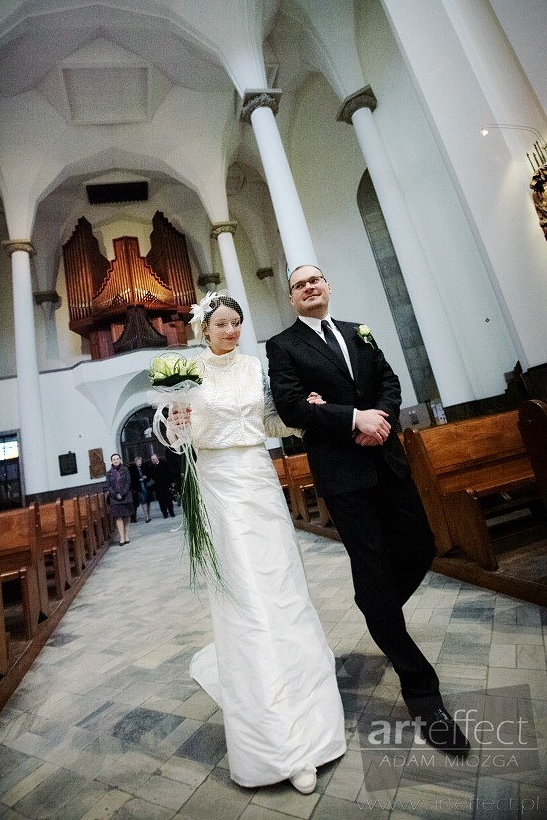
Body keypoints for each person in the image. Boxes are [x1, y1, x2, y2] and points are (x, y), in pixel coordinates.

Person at [266, 264, 470, 753]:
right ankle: (422, 690)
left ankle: (377, 610)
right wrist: (352, 418)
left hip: (387, 461)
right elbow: (293, 407)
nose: (309, 287)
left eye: (316, 280)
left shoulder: (360, 330)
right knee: (373, 566)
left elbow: (389, 382)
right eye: (299, 285)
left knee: (421, 546)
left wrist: (379, 419)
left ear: (328, 287)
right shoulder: (283, 346)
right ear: (292, 299)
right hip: (343, 475)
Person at [172, 291, 346, 794]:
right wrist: (175, 418)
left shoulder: (255, 367)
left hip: (258, 479)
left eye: (236, 323)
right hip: (219, 488)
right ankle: (273, 738)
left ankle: (308, 715)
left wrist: (304, 411)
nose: (230, 331)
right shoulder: (187, 372)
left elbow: (270, 421)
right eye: (221, 324)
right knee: (246, 596)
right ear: (204, 329)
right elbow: (178, 434)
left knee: (281, 586)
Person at [104, 453, 134, 545]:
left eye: (117, 459)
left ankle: (126, 535)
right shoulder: (108, 473)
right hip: (115, 498)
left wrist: (122, 493)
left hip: (126, 496)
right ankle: (121, 537)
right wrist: (116, 494)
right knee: (118, 517)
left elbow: (128, 482)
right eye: (114, 459)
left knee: (126, 516)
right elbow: (108, 486)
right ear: (111, 461)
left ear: (120, 460)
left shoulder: (126, 470)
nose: (116, 461)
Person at [144, 453, 175, 518]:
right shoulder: (151, 467)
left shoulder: (164, 464)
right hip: (157, 487)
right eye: (152, 459)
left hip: (166, 485)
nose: (153, 460)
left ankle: (171, 512)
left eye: (154, 459)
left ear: (157, 458)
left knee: (168, 500)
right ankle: (165, 514)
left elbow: (169, 474)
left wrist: (171, 483)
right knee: (161, 501)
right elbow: (151, 477)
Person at [129, 455, 152, 523]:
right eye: (138, 462)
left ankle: (148, 514)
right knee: (143, 501)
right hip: (139, 487)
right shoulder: (132, 469)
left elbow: (150, 475)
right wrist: (138, 479)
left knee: (148, 501)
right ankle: (146, 516)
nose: (139, 463)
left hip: (146, 486)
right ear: (135, 462)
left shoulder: (145, 466)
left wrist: (146, 477)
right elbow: (132, 479)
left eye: (140, 461)